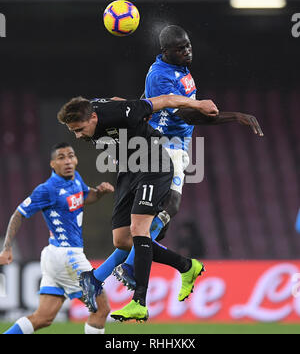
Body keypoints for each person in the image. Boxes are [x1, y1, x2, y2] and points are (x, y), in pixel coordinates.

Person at [113, 25, 264, 289]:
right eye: (180, 48)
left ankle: (111, 270)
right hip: (164, 146)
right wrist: (235, 117)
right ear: (166, 51)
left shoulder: (178, 71)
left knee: (159, 219)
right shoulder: (160, 75)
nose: (187, 51)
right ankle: (128, 267)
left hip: (174, 146)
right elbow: (187, 115)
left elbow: (149, 100)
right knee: (166, 210)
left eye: (188, 46)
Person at [57, 94, 219, 321]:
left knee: (139, 229)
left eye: (80, 129)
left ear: (93, 117)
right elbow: (113, 99)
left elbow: (167, 99)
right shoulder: (90, 110)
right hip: (128, 169)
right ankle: (186, 266)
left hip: (154, 164)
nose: (77, 135)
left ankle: (139, 302)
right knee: (122, 240)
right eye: (73, 130)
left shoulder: (122, 112)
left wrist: (198, 104)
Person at [0, 142, 114, 334]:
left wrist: (100, 193)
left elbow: (86, 197)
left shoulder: (76, 179)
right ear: (52, 164)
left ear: (76, 159)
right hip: (67, 256)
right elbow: (18, 214)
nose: (68, 161)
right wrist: (7, 248)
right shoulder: (47, 189)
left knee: (43, 318)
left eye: (71, 156)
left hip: (54, 256)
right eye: (61, 158)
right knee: (101, 308)